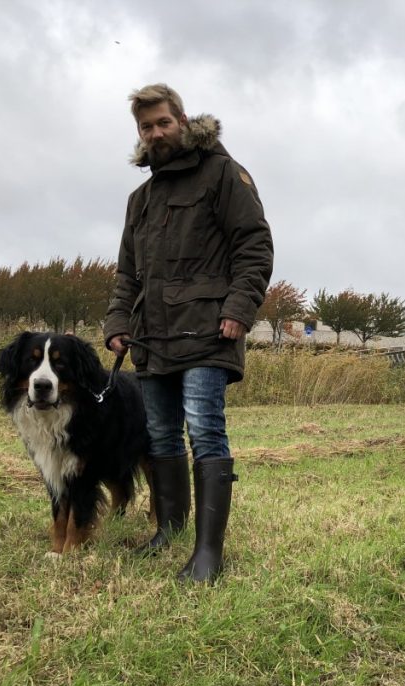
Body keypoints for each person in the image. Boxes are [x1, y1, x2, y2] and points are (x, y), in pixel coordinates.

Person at [104, 83, 273, 582]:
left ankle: (207, 553)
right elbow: (126, 273)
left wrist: (239, 309)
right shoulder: (141, 198)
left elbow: (254, 246)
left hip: (208, 330)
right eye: (146, 127)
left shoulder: (223, 173)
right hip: (151, 337)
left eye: (163, 123)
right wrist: (117, 322)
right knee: (159, 434)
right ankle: (169, 532)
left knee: (204, 428)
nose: (155, 132)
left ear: (182, 120)